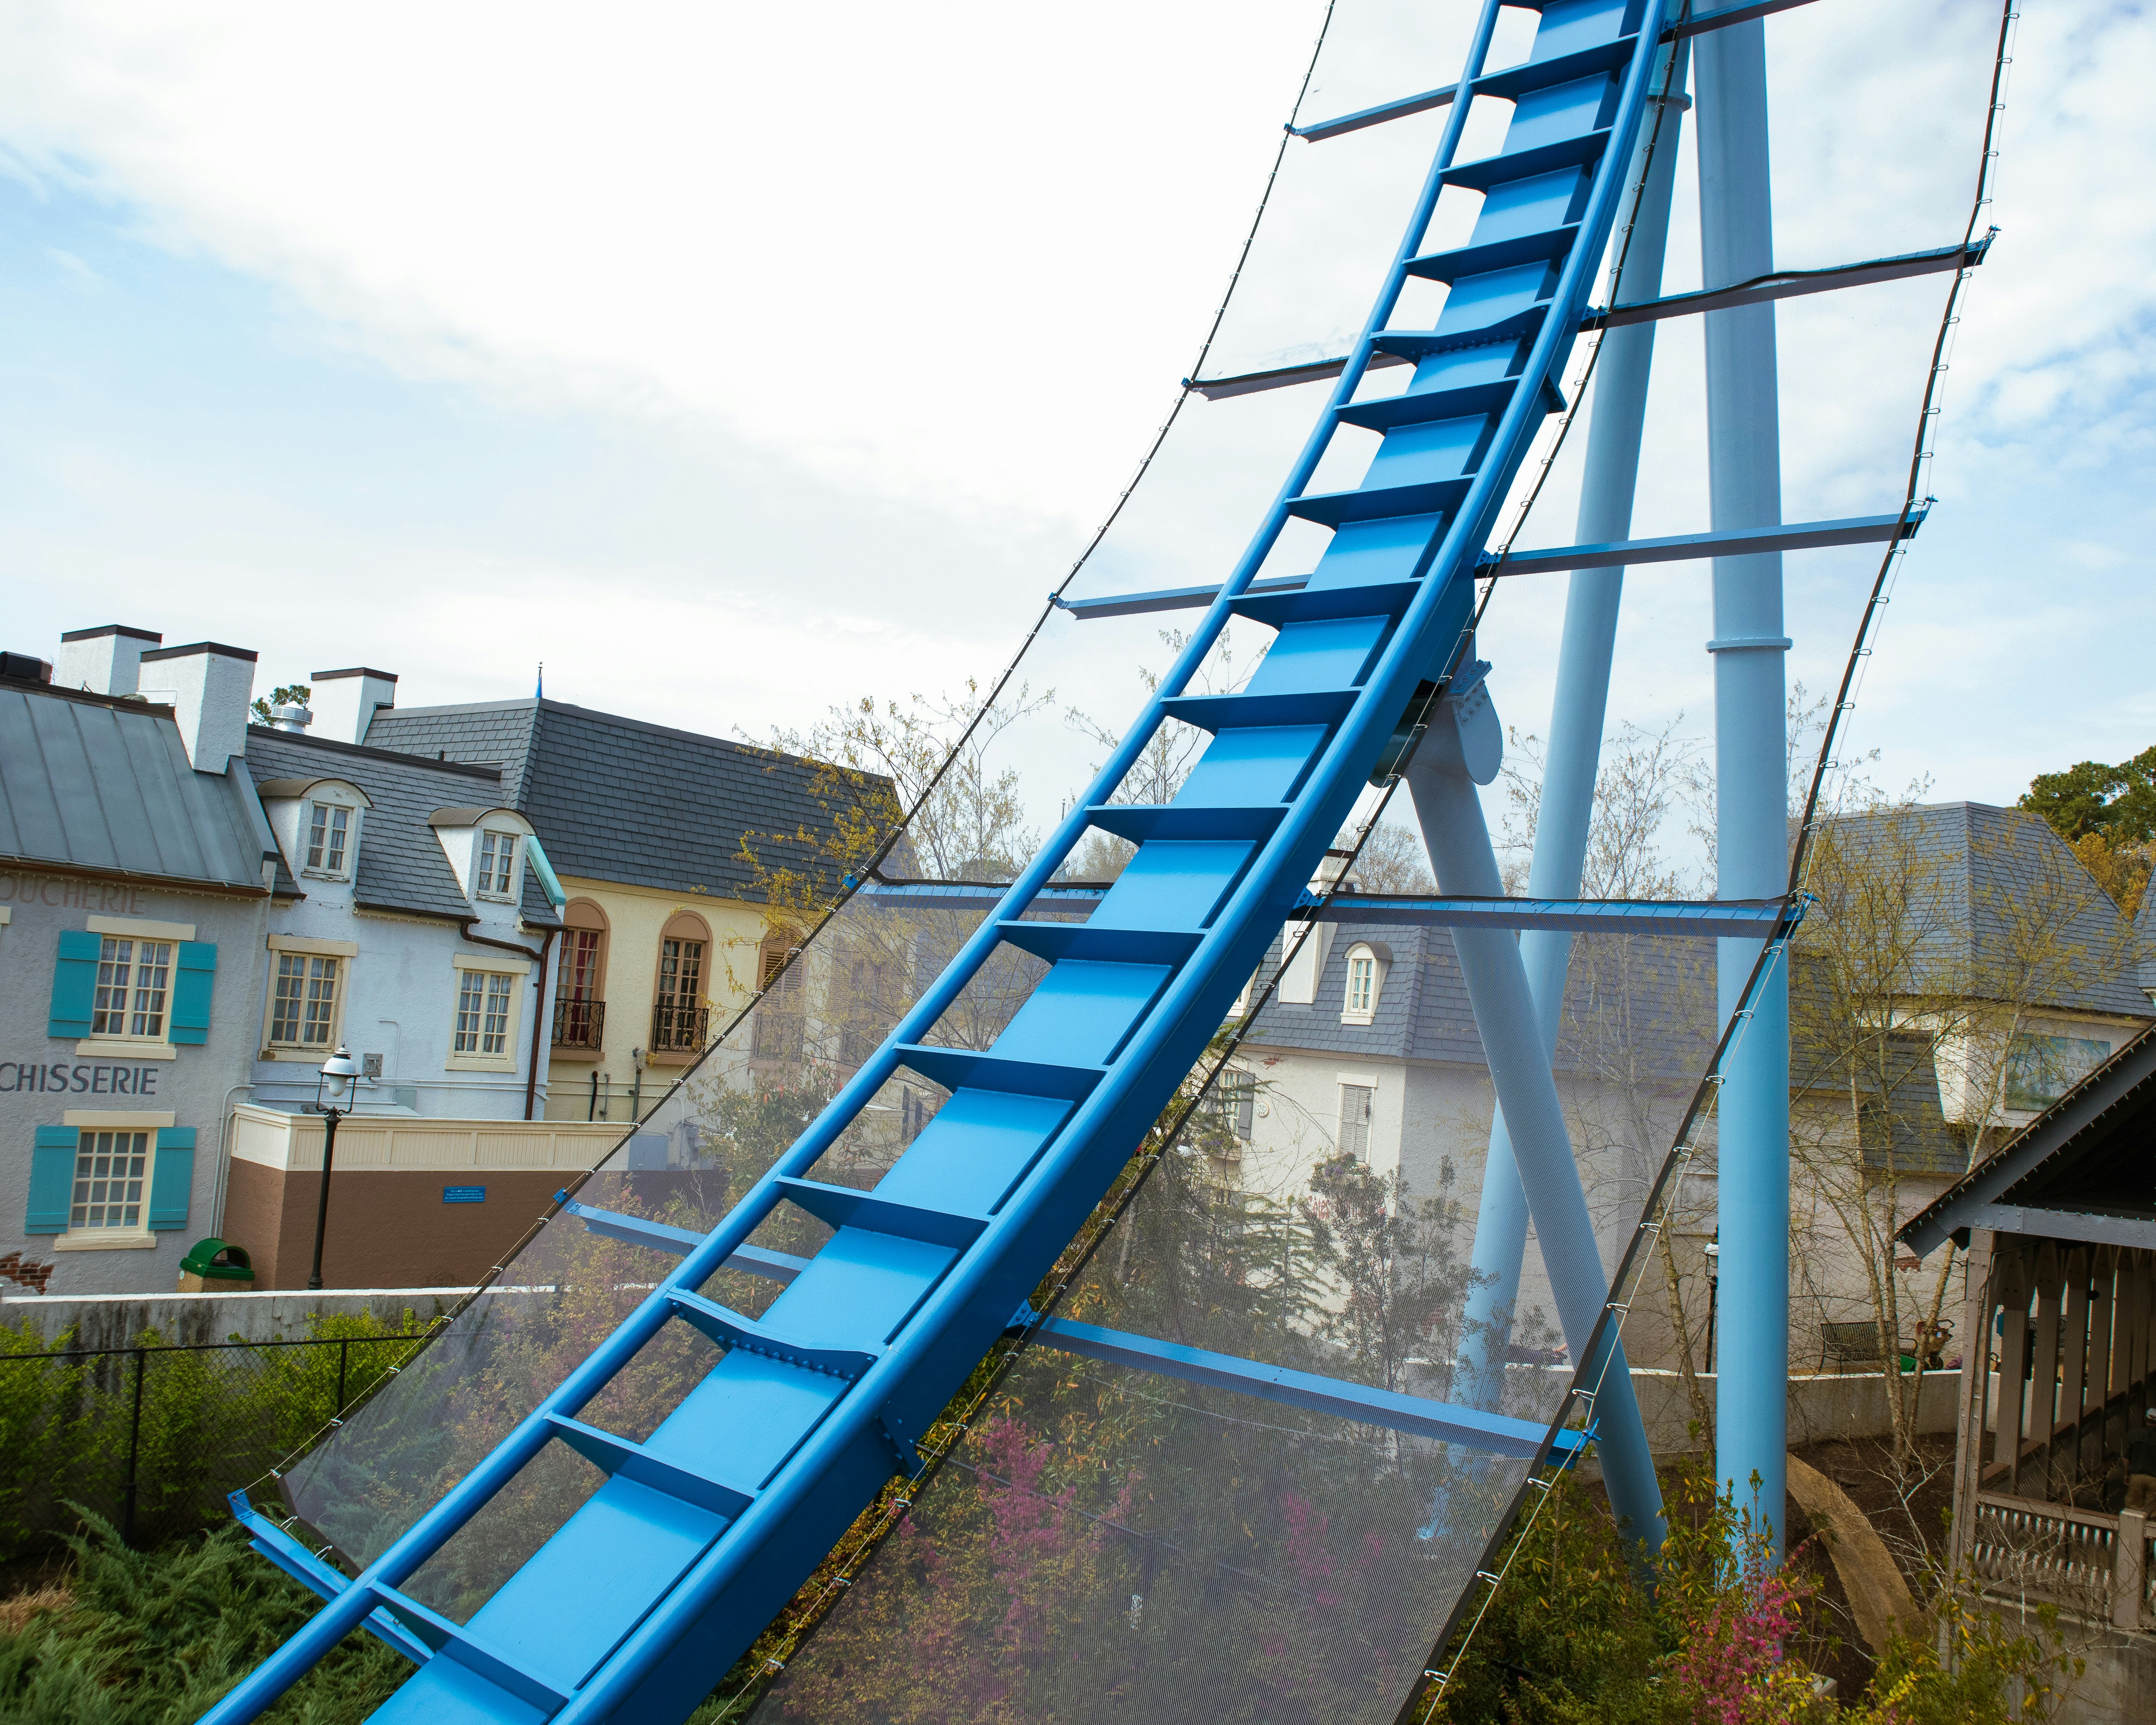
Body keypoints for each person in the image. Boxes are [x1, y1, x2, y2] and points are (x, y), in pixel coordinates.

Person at [2128, 1405, 2156, 1514]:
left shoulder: (2133, 1434)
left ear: (2145, 1419)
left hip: (2137, 1477)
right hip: (2154, 1480)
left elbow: (2125, 1457)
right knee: (2153, 1514)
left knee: (2133, 1510)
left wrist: (2126, 1474)